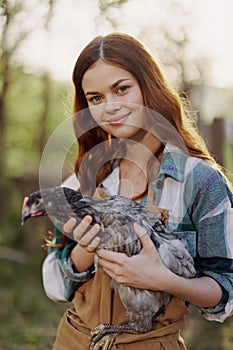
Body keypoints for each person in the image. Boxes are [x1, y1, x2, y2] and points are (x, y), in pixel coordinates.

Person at [41, 33, 233, 350]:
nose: (111, 107)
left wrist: (163, 280)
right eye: (96, 98)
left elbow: (226, 288)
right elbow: (54, 284)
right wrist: (84, 250)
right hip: (72, 340)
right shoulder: (82, 182)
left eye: (121, 89)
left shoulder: (199, 182)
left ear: (148, 86)